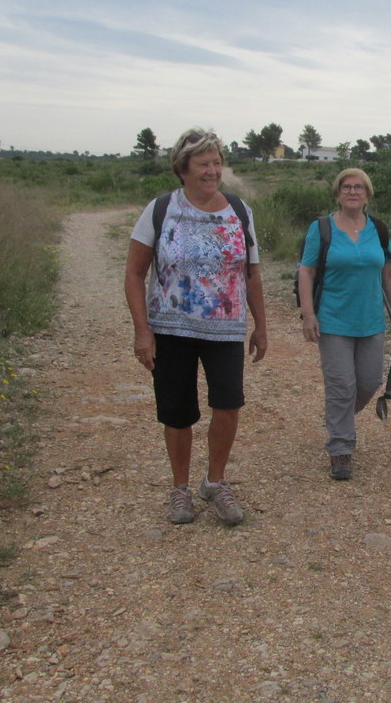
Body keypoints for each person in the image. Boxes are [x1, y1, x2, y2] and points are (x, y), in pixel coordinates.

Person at [124, 128, 267, 525]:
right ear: (182, 168)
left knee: (228, 406)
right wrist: (142, 330)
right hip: (171, 329)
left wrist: (261, 326)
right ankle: (180, 489)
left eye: (217, 162)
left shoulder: (238, 210)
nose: (213, 170)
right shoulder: (161, 209)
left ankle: (215, 482)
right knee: (177, 411)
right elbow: (135, 273)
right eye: (203, 163)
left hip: (224, 329)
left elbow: (252, 273)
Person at [297, 168, 391, 480]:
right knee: (341, 385)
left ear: (368, 194)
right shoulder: (322, 228)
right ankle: (341, 449)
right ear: (337, 193)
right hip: (333, 321)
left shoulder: (379, 230)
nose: (353, 192)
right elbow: (307, 272)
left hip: (371, 321)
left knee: (369, 383)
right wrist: (308, 314)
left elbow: (390, 274)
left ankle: (338, 418)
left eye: (359, 187)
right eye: (347, 187)